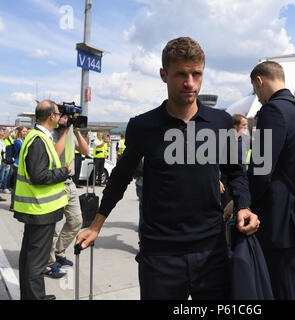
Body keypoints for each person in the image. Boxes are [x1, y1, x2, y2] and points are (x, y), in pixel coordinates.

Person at [76, 37, 259, 300]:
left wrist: (243, 205)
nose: (190, 83)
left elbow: (234, 172)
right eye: (181, 74)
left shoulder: (220, 122)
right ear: (164, 75)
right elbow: (121, 177)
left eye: (197, 74)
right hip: (160, 256)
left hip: (211, 251)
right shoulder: (142, 126)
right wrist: (96, 225)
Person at [248, 61, 295, 300]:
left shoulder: (272, 110)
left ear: (260, 81)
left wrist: (243, 202)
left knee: (281, 289)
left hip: (282, 226)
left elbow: (261, 167)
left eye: (255, 90)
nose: (257, 97)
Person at [13, 100, 70, 300]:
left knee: (30, 257)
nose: (60, 116)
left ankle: (31, 295)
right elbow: (39, 176)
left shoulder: (38, 137)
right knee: (36, 261)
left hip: (37, 208)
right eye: (58, 113)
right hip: (40, 210)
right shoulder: (38, 140)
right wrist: (64, 172)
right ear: (51, 116)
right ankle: (35, 297)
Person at [44, 114, 90, 278]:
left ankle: (59, 252)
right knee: (53, 227)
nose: (69, 120)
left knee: (76, 221)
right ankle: (49, 264)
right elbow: (55, 154)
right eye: (66, 117)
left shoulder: (70, 134)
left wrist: (76, 132)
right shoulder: (50, 134)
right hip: (55, 184)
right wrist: (64, 131)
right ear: (57, 117)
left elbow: (85, 151)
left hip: (69, 183)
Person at [9, 126, 28, 211]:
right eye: (24, 131)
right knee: (16, 187)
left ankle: (19, 204)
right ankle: (12, 205)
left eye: (26, 131)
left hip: (23, 166)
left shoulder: (24, 140)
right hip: (17, 165)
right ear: (20, 132)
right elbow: (25, 148)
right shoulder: (17, 141)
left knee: (22, 187)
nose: (26, 133)